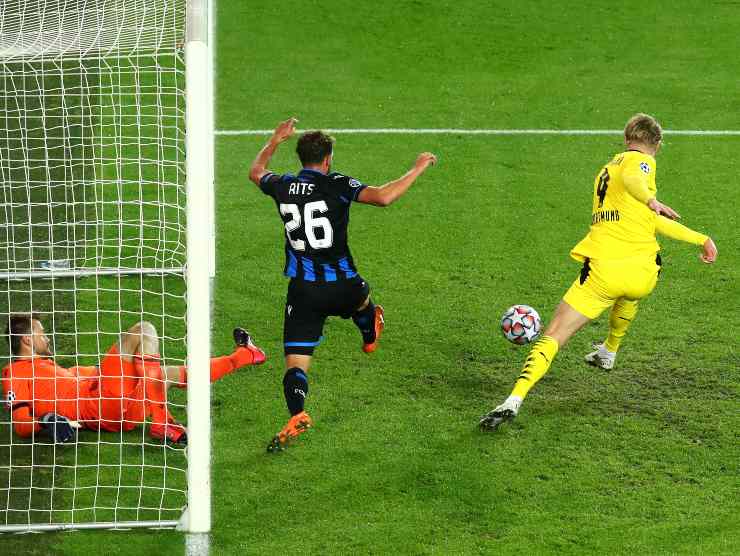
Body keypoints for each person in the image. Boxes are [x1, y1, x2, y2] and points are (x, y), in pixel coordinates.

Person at [480, 113, 718, 430]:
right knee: (629, 292)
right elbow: (643, 192)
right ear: (656, 145)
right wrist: (699, 237)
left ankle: (513, 399)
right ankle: (609, 350)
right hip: (644, 275)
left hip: (604, 273)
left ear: (626, 138)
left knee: (552, 336)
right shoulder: (643, 164)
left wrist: (651, 201)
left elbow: (640, 191)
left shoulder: (609, 170)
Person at [249, 117, 437, 451]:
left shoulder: (284, 185)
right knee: (363, 300)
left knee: (295, 363)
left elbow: (256, 172)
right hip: (344, 286)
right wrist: (418, 167)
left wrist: (275, 140)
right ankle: (369, 333)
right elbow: (383, 197)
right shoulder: (336, 183)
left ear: (300, 158)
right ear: (327, 159)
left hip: (303, 291)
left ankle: (298, 413)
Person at [2, 313, 266, 445]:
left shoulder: (50, 368)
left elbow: (77, 380)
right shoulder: (14, 373)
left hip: (118, 409)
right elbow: (21, 424)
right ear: (27, 340)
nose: (47, 338)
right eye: (41, 333)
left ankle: (245, 355)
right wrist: (47, 423)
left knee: (166, 376)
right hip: (100, 403)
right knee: (143, 330)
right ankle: (162, 421)